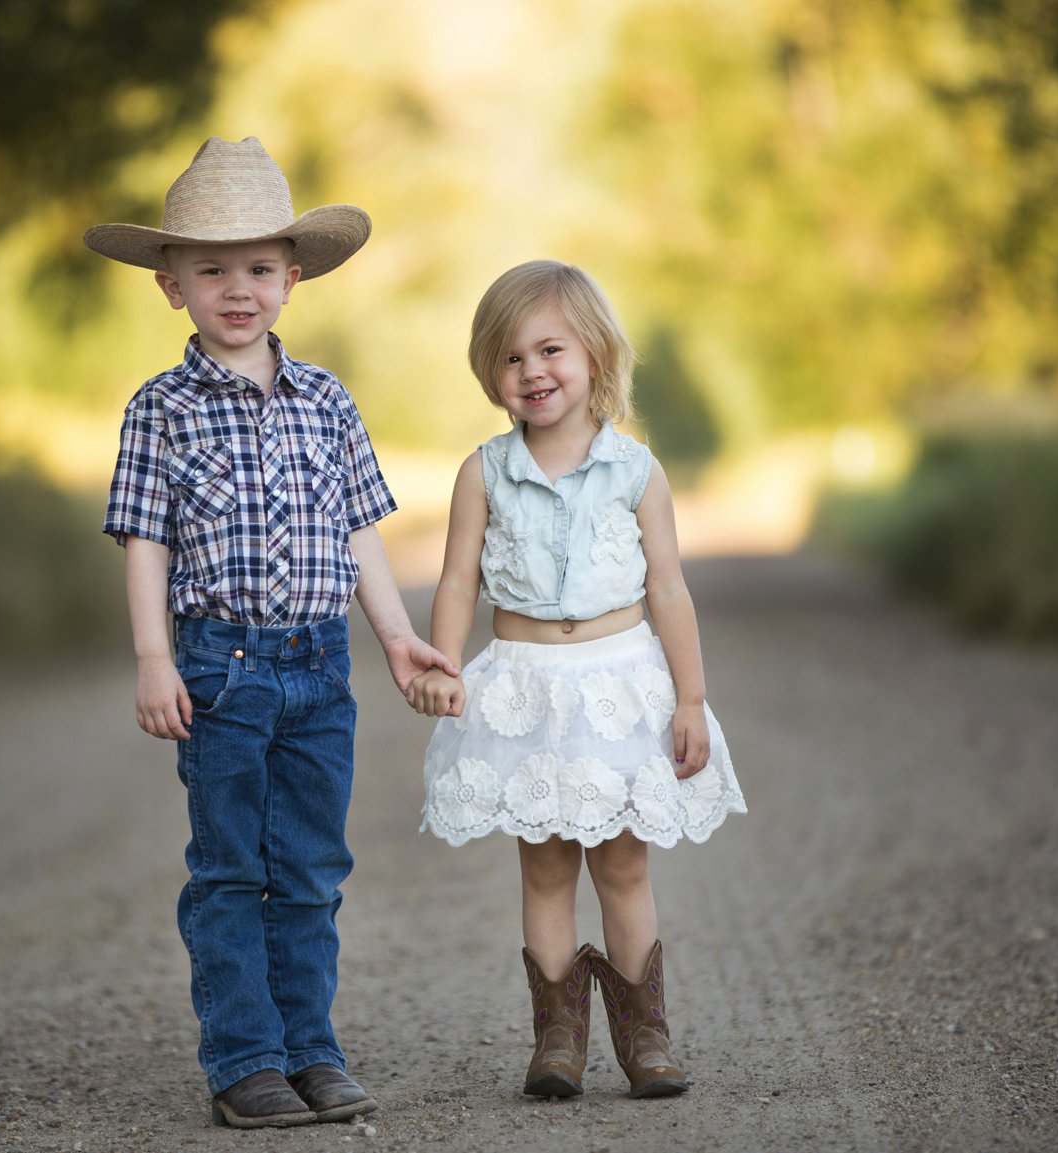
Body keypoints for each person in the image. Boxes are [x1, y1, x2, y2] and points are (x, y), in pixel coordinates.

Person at [86, 137, 458, 1129]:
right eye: (212, 270)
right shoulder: (158, 411)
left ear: (291, 279)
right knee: (229, 868)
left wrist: (395, 636)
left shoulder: (328, 402)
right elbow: (144, 542)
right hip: (219, 663)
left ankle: (311, 1050)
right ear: (172, 286)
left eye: (257, 269)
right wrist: (154, 659)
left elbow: (357, 533)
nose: (237, 289)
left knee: (307, 868)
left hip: (316, 665)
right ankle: (245, 1059)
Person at [408, 260, 746, 1100]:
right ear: (492, 374)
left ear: (594, 354)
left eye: (550, 349)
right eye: (511, 358)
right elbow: (457, 581)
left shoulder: (636, 472)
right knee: (547, 867)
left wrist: (692, 699)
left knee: (624, 867)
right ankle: (557, 1035)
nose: (533, 372)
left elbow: (668, 589)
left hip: (617, 683)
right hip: (526, 688)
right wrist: (444, 665)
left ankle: (646, 1036)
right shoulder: (482, 472)